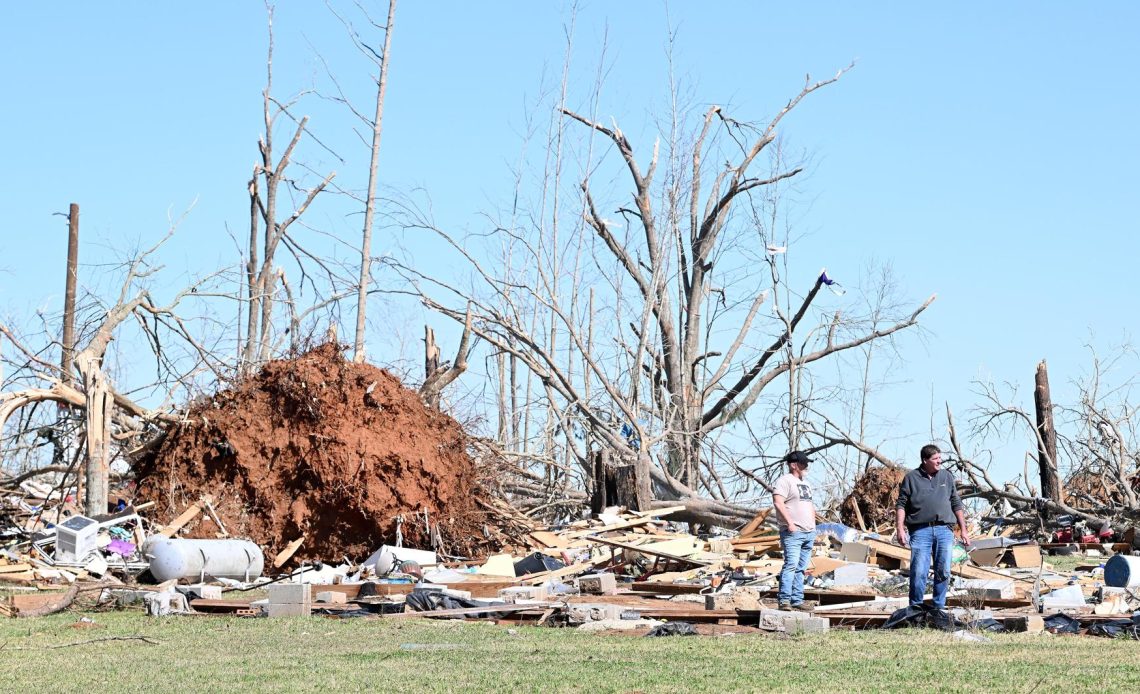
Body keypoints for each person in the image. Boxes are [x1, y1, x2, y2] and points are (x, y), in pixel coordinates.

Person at [895, 444, 971, 609]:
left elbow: (956, 503)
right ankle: (915, 607)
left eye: (939, 458)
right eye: (935, 458)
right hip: (920, 530)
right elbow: (901, 504)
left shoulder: (946, 477)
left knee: (943, 570)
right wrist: (900, 529)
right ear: (925, 460)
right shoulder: (911, 478)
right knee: (919, 571)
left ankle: (939, 607)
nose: (939, 461)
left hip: (944, 530)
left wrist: (963, 529)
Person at [772, 450, 816, 610]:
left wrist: (813, 525)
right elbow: (778, 502)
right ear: (793, 465)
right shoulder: (785, 481)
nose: (806, 466)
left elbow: (810, 505)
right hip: (793, 532)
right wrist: (789, 523)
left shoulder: (806, 484)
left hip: (808, 532)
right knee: (791, 565)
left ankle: (797, 600)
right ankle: (784, 600)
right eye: (803, 463)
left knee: (801, 568)